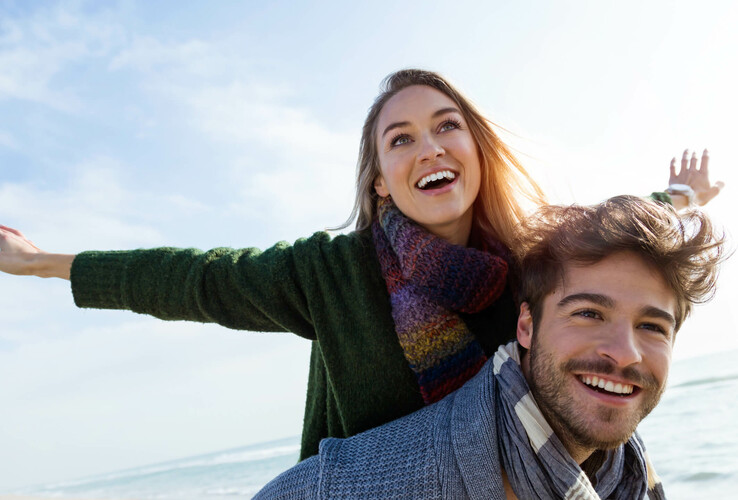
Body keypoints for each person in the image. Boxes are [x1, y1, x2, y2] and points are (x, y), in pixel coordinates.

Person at [0, 69, 723, 461]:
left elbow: (612, 230)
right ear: (380, 178)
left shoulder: (539, 254)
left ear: (476, 150)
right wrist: (40, 264)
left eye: (447, 126)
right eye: (400, 139)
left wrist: (684, 196)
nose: (430, 149)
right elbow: (198, 276)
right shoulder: (331, 272)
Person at [254, 195, 726, 499]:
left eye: (652, 327)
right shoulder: (374, 483)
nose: (625, 353)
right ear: (526, 325)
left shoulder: (628, 479)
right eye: (588, 314)